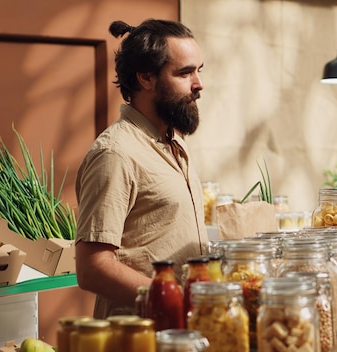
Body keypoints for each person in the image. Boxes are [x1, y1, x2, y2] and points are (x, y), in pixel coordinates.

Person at [74, 18, 209, 318]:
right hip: (137, 336)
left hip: (182, 330)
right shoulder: (116, 153)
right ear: (146, 78)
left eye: (199, 70)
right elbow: (91, 268)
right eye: (185, 73)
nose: (199, 84)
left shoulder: (175, 142)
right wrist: (173, 301)